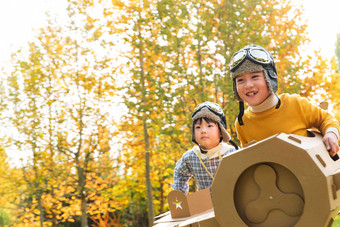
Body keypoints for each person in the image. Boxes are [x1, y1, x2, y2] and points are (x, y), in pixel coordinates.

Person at [229, 44, 340, 157]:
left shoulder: (294, 104)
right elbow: (248, 158)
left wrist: (331, 133)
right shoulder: (242, 123)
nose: (248, 85)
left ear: (269, 78)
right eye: (240, 80)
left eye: (255, 77)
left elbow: (326, 119)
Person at [172, 101, 238, 194]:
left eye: (209, 126)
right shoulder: (191, 157)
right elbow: (180, 173)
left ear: (221, 131)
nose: (203, 131)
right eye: (198, 127)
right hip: (207, 206)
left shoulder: (233, 153)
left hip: (233, 202)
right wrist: (180, 194)